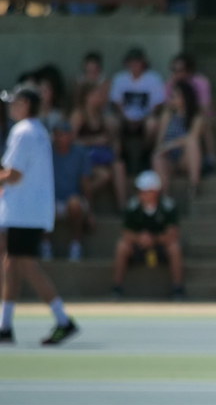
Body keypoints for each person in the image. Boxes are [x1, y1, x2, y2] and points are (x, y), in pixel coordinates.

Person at [0, 86, 79, 345]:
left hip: (24, 212)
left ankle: (63, 320)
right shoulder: (36, 130)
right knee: (11, 263)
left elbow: (14, 174)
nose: (10, 107)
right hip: (25, 211)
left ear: (25, 104)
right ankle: (5, 324)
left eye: (14, 102)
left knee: (24, 264)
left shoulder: (23, 131)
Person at [111, 171, 185, 300]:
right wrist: (140, 238)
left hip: (161, 247)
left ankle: (177, 288)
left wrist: (154, 239)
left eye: (146, 190)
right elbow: (126, 232)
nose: (142, 194)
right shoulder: (133, 206)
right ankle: (117, 287)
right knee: (122, 246)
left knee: (174, 248)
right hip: (138, 247)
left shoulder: (167, 206)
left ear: (155, 191)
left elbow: (173, 233)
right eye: (141, 190)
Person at [71, 82, 128, 211]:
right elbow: (70, 141)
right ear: (86, 97)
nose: (99, 97)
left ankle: (123, 207)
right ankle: (81, 197)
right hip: (83, 158)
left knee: (119, 166)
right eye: (95, 95)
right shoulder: (79, 115)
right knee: (104, 175)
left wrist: (114, 142)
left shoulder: (102, 115)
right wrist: (93, 141)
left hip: (101, 157)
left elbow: (111, 138)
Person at [109, 47, 165, 173]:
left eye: (137, 61)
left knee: (152, 124)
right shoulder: (120, 78)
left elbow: (157, 104)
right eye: (131, 61)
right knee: (110, 121)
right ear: (127, 63)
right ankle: (121, 153)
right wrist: (126, 118)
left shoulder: (153, 78)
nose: (134, 65)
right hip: (124, 118)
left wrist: (142, 119)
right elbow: (116, 102)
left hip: (145, 119)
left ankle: (145, 154)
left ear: (143, 62)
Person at [43, 121, 91, 263]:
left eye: (64, 134)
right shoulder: (46, 152)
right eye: (57, 135)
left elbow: (85, 182)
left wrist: (91, 212)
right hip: (50, 201)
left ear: (71, 136)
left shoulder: (81, 153)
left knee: (74, 203)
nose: (61, 138)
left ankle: (76, 245)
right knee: (45, 203)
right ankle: (45, 245)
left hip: (73, 200)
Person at [152, 78, 204, 198]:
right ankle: (164, 197)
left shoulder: (197, 117)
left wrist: (171, 144)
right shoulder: (167, 115)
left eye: (175, 96)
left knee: (192, 143)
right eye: (172, 96)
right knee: (157, 156)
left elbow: (191, 138)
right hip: (169, 158)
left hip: (185, 159)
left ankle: (194, 185)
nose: (172, 99)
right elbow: (160, 141)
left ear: (184, 97)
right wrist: (161, 149)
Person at [167, 52, 216, 172]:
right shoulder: (171, 83)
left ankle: (210, 157)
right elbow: (167, 104)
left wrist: (187, 107)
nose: (176, 73)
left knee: (203, 120)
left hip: (197, 115)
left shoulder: (201, 82)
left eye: (180, 70)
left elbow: (204, 106)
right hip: (179, 115)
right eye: (174, 70)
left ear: (189, 70)